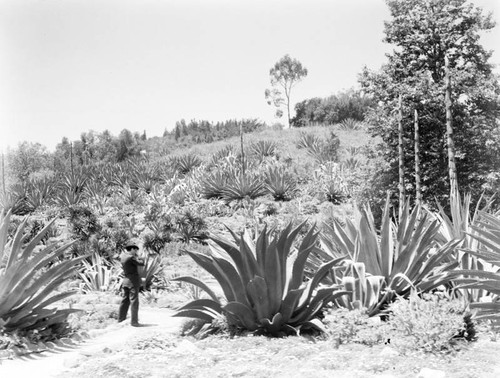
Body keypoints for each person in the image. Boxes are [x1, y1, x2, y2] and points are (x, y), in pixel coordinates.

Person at [118, 239, 145, 326]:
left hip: (125, 280)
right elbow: (141, 263)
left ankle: (121, 319)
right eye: (136, 249)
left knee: (124, 301)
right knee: (134, 301)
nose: (136, 251)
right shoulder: (131, 257)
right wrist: (141, 257)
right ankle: (134, 322)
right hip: (133, 281)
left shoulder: (123, 256)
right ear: (132, 249)